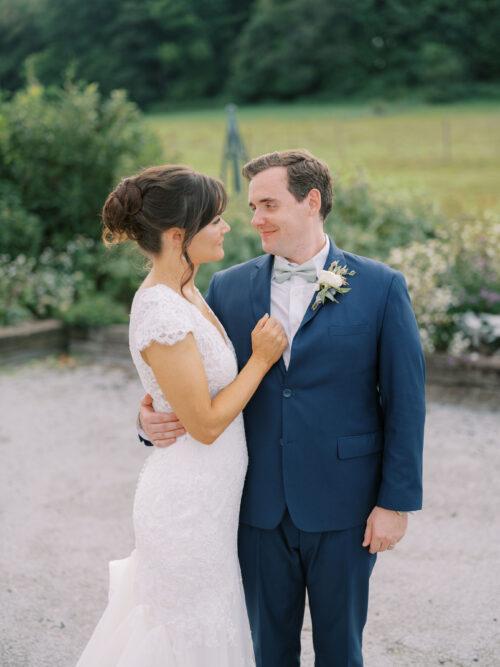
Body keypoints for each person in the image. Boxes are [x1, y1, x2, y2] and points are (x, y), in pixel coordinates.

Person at [139, 150, 426, 667]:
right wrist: (147, 421)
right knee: (266, 650)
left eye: (268, 204)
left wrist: (396, 502)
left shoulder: (381, 287)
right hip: (256, 506)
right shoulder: (226, 287)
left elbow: (406, 403)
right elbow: (188, 375)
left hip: (346, 507)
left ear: (311, 202)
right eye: (251, 206)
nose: (255, 220)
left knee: (341, 649)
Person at [76, 165, 287, 666]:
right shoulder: (160, 311)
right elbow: (206, 424)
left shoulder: (188, 291)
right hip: (184, 507)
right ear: (178, 236)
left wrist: (148, 414)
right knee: (186, 632)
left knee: (210, 621)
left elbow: (179, 393)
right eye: (215, 219)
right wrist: (260, 359)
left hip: (209, 503)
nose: (227, 227)